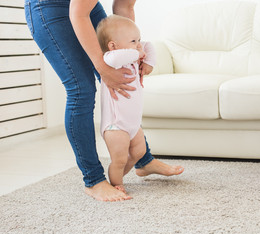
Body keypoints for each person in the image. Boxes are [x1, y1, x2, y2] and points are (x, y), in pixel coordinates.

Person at [24, 0, 184, 202]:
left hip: (86, 8)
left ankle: (143, 160)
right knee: (81, 88)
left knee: (122, 76)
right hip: (50, 7)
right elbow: (77, 13)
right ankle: (94, 180)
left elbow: (125, 6)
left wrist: (132, 55)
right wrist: (102, 66)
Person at [96, 15, 155, 200]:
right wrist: (138, 54)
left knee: (139, 152)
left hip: (132, 124)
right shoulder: (111, 59)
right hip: (116, 125)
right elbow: (116, 56)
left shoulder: (131, 59)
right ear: (113, 45)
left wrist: (147, 62)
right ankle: (117, 184)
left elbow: (150, 46)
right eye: (133, 41)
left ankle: (119, 176)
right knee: (119, 159)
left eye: (138, 39)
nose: (139, 44)